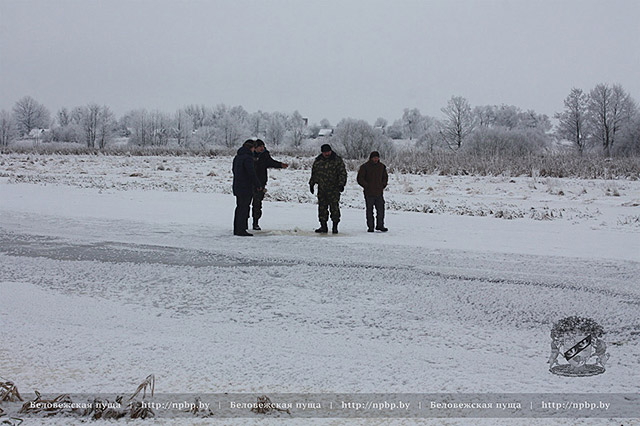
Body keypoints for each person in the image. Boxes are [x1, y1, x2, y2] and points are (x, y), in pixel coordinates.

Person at [309, 144, 347, 234]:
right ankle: (323, 226)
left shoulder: (337, 160)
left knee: (334, 208)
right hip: (322, 189)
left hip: (334, 189)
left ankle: (335, 226)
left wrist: (341, 184)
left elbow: (342, 173)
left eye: (328, 152)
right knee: (322, 208)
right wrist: (311, 184)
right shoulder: (318, 161)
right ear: (322, 152)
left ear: (330, 151)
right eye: (325, 152)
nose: (327, 154)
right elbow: (314, 173)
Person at [252, 139, 289, 230]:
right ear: (255, 147)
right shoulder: (249, 155)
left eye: (263, 146)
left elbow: (271, 162)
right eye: (260, 146)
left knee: (257, 204)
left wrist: (280, 165)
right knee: (244, 204)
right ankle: (243, 223)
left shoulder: (265, 155)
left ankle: (255, 222)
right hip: (249, 182)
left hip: (260, 182)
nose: (262, 148)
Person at [232, 139, 262, 236]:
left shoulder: (237, 157)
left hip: (237, 185)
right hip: (245, 187)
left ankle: (237, 228)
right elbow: (251, 173)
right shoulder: (248, 158)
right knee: (244, 208)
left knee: (239, 207)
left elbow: (234, 170)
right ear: (251, 148)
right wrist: (258, 184)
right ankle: (241, 230)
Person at [357, 151, 388, 232]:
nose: (376, 159)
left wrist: (382, 185)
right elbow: (360, 178)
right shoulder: (365, 167)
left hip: (379, 192)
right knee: (369, 211)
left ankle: (380, 225)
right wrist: (366, 186)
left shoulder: (382, 167)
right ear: (371, 158)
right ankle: (370, 226)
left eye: (377, 158)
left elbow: (385, 177)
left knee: (381, 210)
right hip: (369, 193)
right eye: (374, 158)